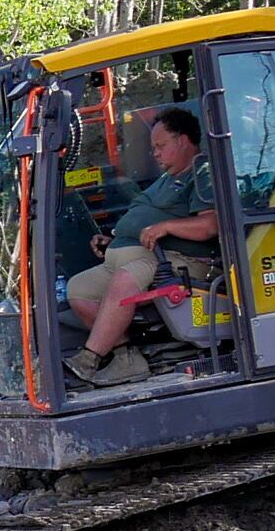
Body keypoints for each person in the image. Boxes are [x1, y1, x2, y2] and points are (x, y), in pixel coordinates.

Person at [63, 107, 221, 387]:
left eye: (161, 146)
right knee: (79, 289)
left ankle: (89, 359)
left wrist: (166, 228)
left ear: (183, 140)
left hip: (175, 260)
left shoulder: (202, 172)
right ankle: (127, 358)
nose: (155, 154)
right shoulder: (167, 178)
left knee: (127, 278)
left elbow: (210, 225)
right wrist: (116, 240)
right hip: (137, 254)